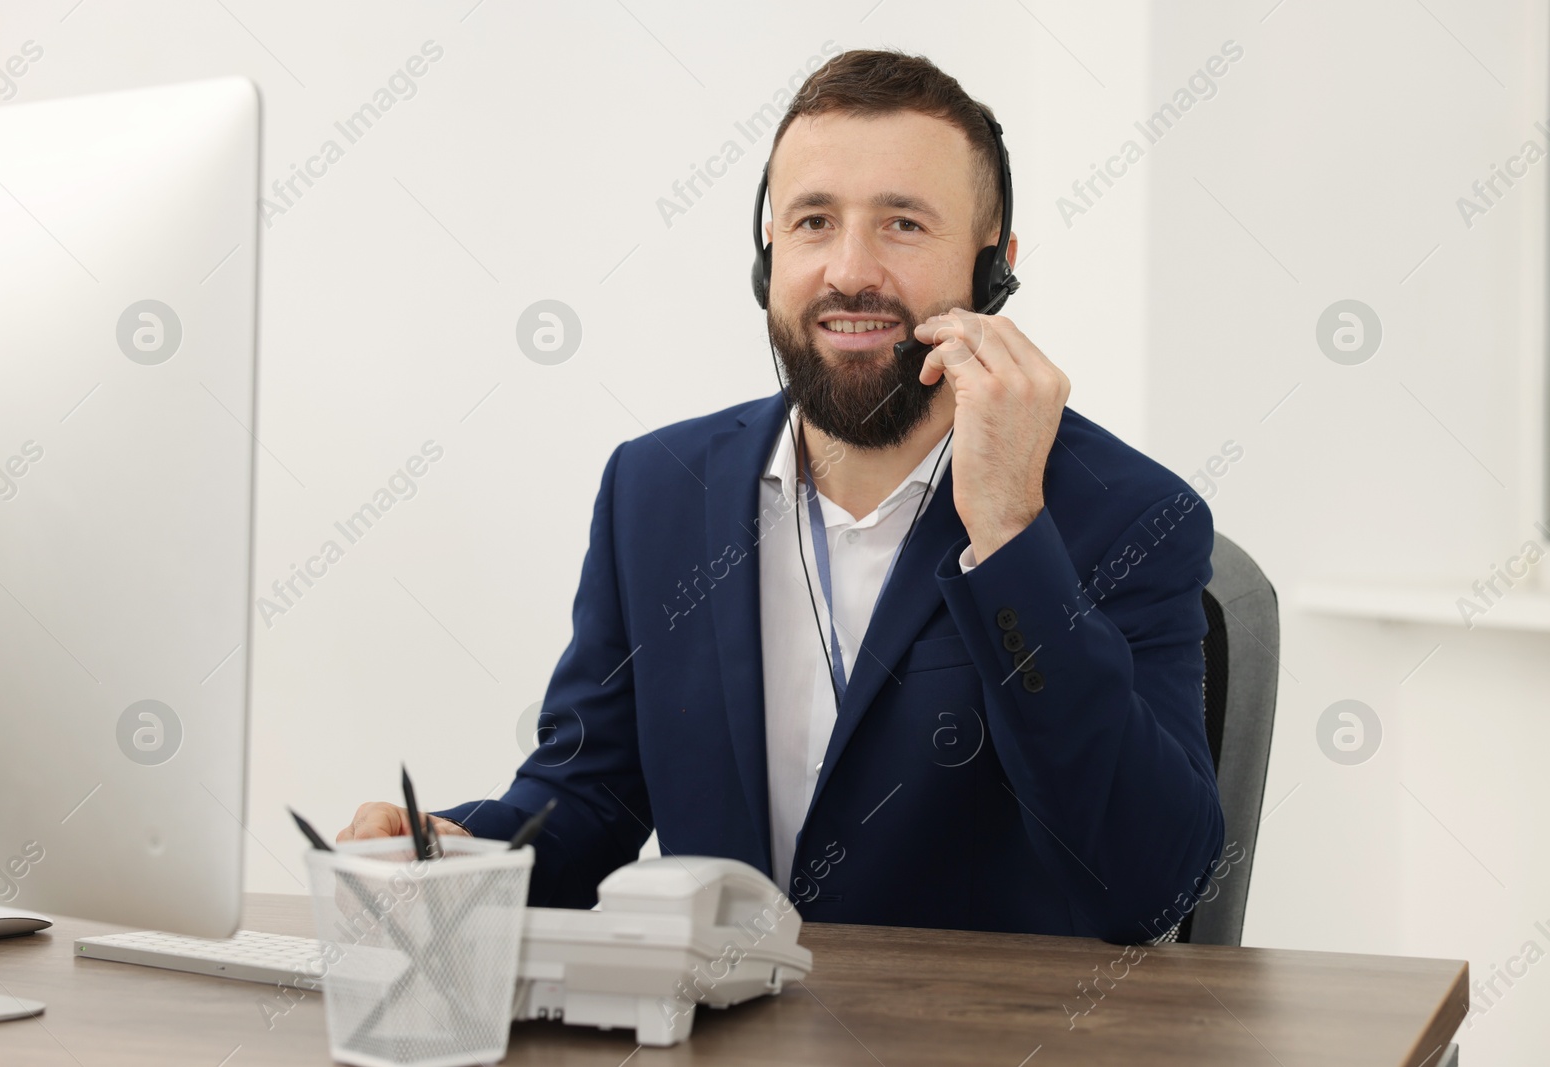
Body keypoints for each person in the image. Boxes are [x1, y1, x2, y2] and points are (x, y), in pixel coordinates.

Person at [341, 48, 1223, 942]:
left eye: (903, 225)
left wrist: (1007, 534)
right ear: (768, 257)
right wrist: (459, 853)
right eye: (812, 221)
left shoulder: (1130, 517)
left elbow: (1150, 885)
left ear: (993, 271)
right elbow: (589, 792)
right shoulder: (656, 493)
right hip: (721, 1029)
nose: (849, 270)